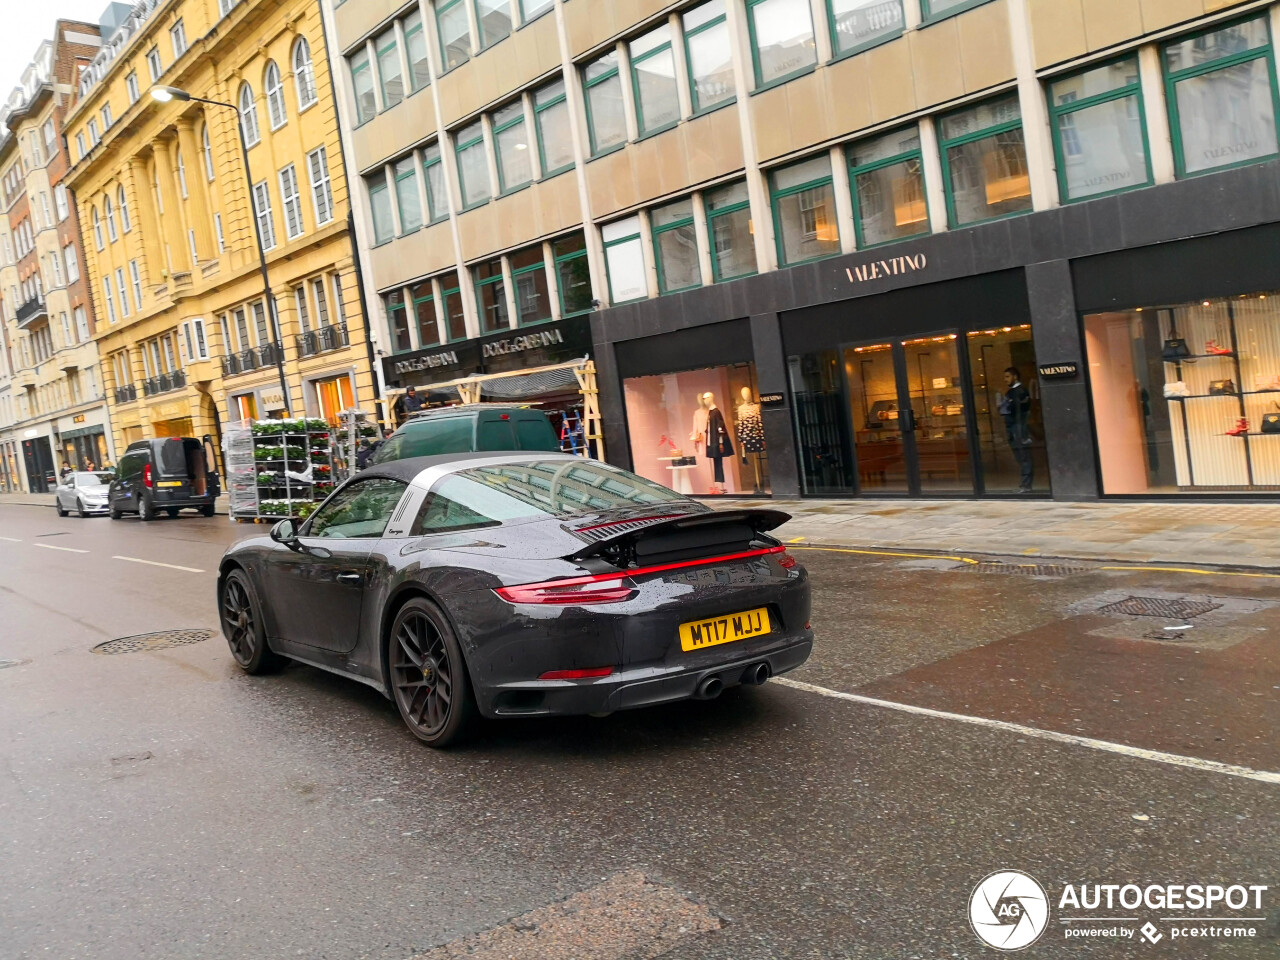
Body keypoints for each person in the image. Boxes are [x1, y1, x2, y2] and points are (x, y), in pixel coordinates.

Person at [1000, 367, 1033, 493]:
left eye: (1008, 376)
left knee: (1024, 456)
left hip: (1018, 427)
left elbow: (1019, 410)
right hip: (1013, 427)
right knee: (1020, 456)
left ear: (1015, 376)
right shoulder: (1011, 392)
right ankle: (1025, 484)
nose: (1005, 379)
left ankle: (1026, 485)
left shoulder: (1020, 391)